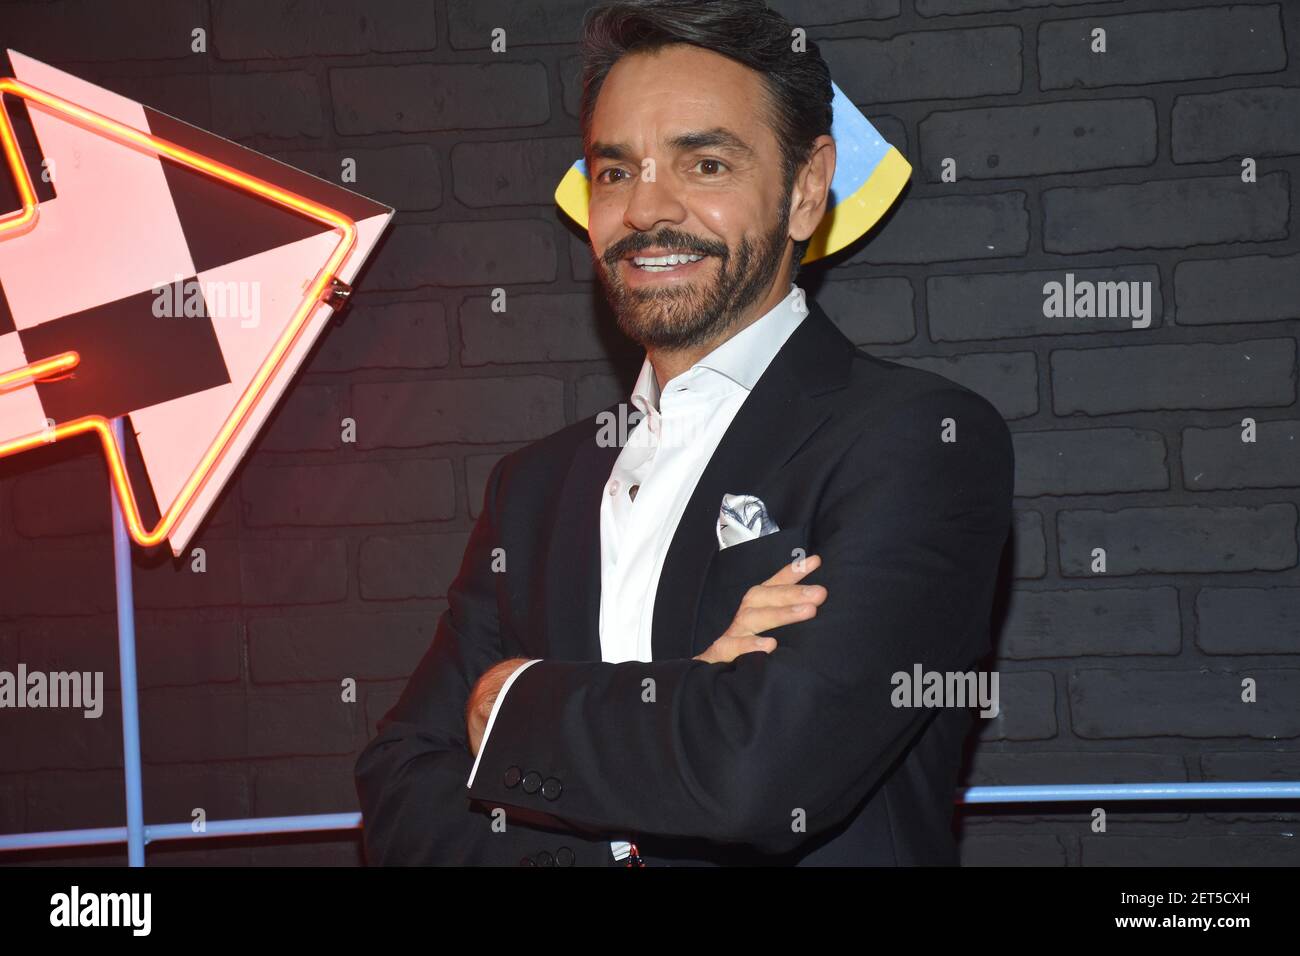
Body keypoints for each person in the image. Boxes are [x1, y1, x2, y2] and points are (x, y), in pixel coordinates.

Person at [355, 0, 1013, 866]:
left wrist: (515, 700)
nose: (645, 211)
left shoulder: (919, 440)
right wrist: (691, 700)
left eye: (705, 164)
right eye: (616, 172)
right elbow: (400, 786)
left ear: (808, 189)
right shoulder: (534, 489)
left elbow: (763, 773)